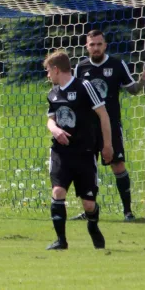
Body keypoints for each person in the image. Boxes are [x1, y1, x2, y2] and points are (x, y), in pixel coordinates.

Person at [71, 30, 145, 222]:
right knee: (87, 168)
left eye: (99, 44)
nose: (95, 48)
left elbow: (132, 90)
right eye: (92, 44)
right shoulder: (81, 68)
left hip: (111, 126)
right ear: (87, 47)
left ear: (105, 45)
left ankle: (128, 212)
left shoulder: (116, 64)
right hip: (87, 127)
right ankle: (89, 211)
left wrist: (141, 82)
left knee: (117, 164)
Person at [44, 50, 112, 250]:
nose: (47, 75)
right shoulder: (53, 93)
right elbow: (51, 119)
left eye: (48, 71)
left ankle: (93, 226)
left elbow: (104, 115)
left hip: (84, 153)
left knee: (89, 204)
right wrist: (55, 130)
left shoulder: (85, 86)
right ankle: (61, 241)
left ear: (56, 69)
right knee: (58, 192)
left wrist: (107, 145)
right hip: (61, 153)